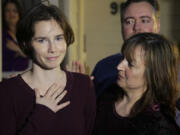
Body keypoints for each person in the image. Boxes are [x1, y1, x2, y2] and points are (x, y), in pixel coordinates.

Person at [0, 4, 96, 135]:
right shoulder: (7, 91)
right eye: (42, 40)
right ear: (26, 44)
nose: (53, 49)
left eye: (58, 38)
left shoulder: (83, 84)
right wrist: (42, 113)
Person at [93, 33, 180, 135]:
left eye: (130, 64)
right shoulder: (107, 96)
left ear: (152, 74)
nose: (119, 66)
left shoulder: (160, 126)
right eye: (123, 58)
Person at [92, 0, 160, 97]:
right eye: (129, 22)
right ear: (121, 28)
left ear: (157, 25)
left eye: (144, 20)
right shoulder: (103, 68)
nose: (137, 27)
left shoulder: (176, 71)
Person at [2, 0, 30, 79]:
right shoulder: (2, 34)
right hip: (4, 77)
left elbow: (32, 54)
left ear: (19, 13)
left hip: (24, 77)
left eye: (15, 11)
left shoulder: (26, 33)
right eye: (8, 11)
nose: (11, 14)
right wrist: (23, 52)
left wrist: (18, 49)